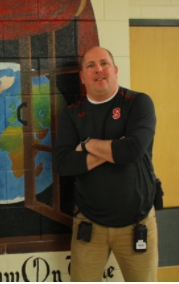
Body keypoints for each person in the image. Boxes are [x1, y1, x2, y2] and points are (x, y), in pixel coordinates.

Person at [54, 46, 158, 282]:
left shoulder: (139, 103)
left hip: (136, 223)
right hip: (89, 225)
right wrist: (113, 149)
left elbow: (132, 150)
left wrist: (87, 144)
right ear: (82, 77)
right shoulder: (72, 114)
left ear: (115, 70)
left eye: (104, 63)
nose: (98, 69)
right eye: (90, 66)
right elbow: (64, 163)